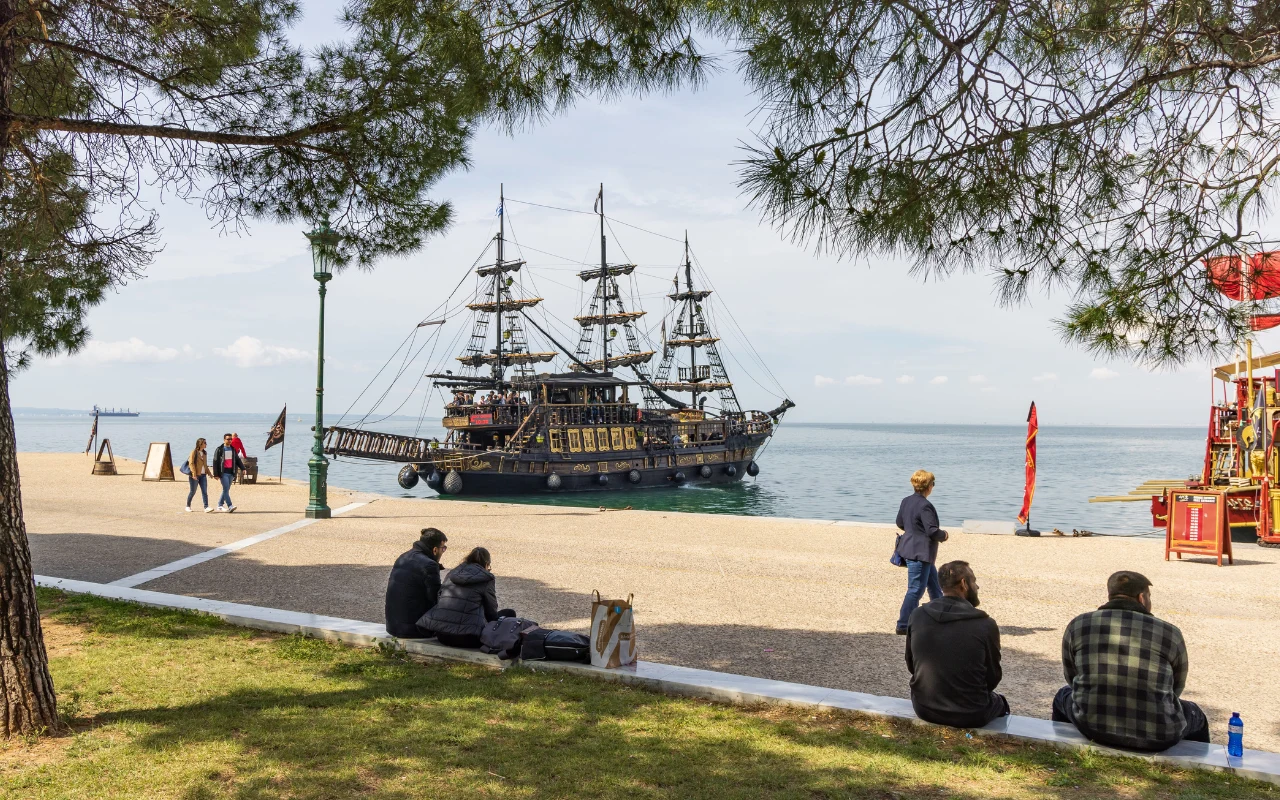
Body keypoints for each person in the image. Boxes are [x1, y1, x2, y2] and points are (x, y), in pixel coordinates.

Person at [1053, 571, 1209, 751]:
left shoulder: (1078, 624)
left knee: (1063, 695)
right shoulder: (1170, 633)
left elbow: (1072, 677)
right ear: (1142, 598)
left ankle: (1062, 749)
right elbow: (1176, 686)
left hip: (1092, 726)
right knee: (1197, 715)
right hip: (1159, 734)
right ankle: (1203, 762)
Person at [905, 561, 1008, 728]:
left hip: (924, 707)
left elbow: (912, 664)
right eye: (974, 581)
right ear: (964, 584)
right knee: (1001, 703)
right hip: (972, 713)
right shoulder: (985, 624)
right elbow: (992, 676)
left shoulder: (918, 615)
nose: (977, 587)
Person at [417, 546, 511, 648]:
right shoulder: (487, 578)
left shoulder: (452, 573)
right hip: (469, 638)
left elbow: (440, 597)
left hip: (442, 635)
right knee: (509, 613)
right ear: (487, 564)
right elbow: (491, 613)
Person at [894, 469, 948, 634]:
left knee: (935, 587)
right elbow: (932, 531)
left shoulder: (906, 501)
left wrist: (914, 530)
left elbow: (900, 522)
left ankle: (941, 617)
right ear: (929, 486)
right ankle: (903, 624)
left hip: (913, 550)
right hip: (920, 553)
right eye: (933, 483)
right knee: (915, 589)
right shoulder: (925, 506)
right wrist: (944, 535)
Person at [384, 528, 448, 638]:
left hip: (393, 626)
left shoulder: (403, 557)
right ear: (435, 550)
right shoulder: (430, 565)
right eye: (443, 548)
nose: (443, 551)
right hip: (415, 629)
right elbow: (436, 597)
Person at [211, 432, 245, 512]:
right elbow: (215, 462)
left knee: (226, 490)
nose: (230, 440)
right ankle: (230, 506)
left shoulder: (233, 449)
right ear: (224, 440)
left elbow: (237, 460)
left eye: (231, 439)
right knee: (226, 489)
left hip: (231, 472)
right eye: (228, 439)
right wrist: (216, 474)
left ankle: (220, 505)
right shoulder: (219, 449)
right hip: (223, 473)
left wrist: (243, 468)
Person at [185, 438, 212, 513]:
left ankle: (206, 507)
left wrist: (209, 473)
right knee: (193, 491)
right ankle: (188, 506)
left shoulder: (204, 453)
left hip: (203, 475)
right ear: (200, 444)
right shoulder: (194, 452)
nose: (206, 444)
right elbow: (191, 463)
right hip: (195, 475)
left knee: (204, 491)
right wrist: (194, 474)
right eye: (204, 443)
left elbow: (205, 464)